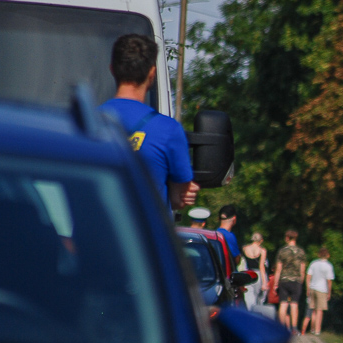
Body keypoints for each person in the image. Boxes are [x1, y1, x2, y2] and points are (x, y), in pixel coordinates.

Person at [98, 34, 198, 212]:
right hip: (146, 230)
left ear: (112, 69)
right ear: (152, 73)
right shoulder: (169, 129)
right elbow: (178, 199)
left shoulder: (82, 123)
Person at [271, 230, 307, 331]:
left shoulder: (282, 251)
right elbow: (302, 269)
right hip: (296, 280)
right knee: (294, 304)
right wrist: (301, 281)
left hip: (284, 279)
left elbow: (278, 269)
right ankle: (294, 327)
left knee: (283, 303)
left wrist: (275, 284)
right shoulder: (301, 252)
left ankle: (281, 327)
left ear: (287, 238)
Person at [305, 248, 336, 335]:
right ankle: (317, 330)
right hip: (322, 289)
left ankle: (312, 329)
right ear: (328, 255)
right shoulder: (328, 266)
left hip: (312, 288)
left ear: (319, 255)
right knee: (319, 310)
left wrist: (308, 288)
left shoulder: (313, 263)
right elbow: (329, 281)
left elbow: (308, 276)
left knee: (313, 309)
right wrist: (329, 292)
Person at [241, 232, 268, 309]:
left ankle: (249, 311)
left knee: (248, 297)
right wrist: (264, 283)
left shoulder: (245, 248)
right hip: (258, 275)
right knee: (259, 298)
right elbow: (261, 266)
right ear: (261, 240)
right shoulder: (262, 250)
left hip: (247, 273)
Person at [216, 205, 241, 270]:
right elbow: (237, 259)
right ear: (234, 218)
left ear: (218, 219)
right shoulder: (230, 236)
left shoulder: (214, 234)